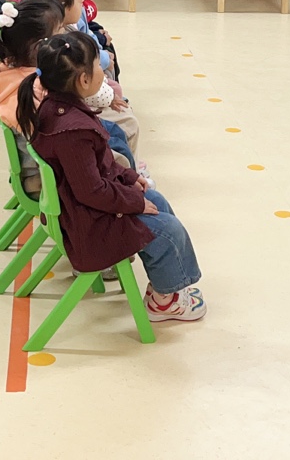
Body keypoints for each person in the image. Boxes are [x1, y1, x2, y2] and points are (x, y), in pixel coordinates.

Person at [17, 31, 205, 322]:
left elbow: (100, 162)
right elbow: (91, 191)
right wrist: (133, 202)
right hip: (86, 224)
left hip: (82, 209)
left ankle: (166, 289)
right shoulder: (73, 130)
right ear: (83, 80)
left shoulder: (59, 108)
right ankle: (164, 303)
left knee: (156, 200)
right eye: (97, 67)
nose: (101, 73)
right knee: (167, 232)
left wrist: (128, 176)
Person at [33, 0, 142, 171]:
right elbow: (76, 87)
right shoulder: (63, 44)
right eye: (79, 0)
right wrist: (108, 96)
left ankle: (132, 173)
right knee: (127, 124)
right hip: (81, 107)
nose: (83, 3)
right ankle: (132, 174)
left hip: (80, 104)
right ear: (64, 6)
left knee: (122, 119)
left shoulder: (58, 37)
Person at [0, 0, 68, 193]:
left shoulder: (7, 75)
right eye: (60, 29)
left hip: (36, 169)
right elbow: (53, 135)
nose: (66, 34)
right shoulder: (31, 87)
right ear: (40, 47)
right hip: (42, 178)